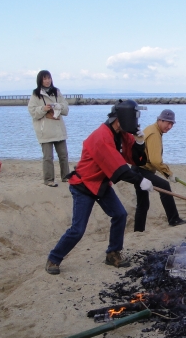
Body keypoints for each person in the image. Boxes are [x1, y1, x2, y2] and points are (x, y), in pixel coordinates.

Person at [44, 100, 152, 275]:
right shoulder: (102, 137)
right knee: (78, 229)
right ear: (122, 118)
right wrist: (140, 181)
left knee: (120, 214)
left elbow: (136, 159)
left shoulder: (122, 133)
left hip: (101, 184)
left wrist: (140, 143)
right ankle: (54, 258)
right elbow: (120, 169)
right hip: (83, 185)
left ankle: (113, 253)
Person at [134, 109, 186, 231]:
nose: (169, 126)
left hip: (137, 168)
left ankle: (138, 231)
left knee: (142, 203)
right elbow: (155, 160)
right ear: (159, 120)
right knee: (164, 186)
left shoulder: (152, 129)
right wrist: (168, 173)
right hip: (142, 169)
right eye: (167, 123)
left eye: (171, 124)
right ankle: (173, 219)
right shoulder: (154, 133)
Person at [28, 70, 70, 187]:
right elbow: (32, 111)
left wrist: (58, 106)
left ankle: (66, 176)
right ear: (40, 80)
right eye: (45, 79)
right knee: (48, 157)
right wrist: (43, 109)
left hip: (58, 128)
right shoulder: (36, 94)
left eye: (49, 78)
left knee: (63, 154)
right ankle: (49, 180)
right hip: (45, 130)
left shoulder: (56, 92)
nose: (47, 81)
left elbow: (66, 108)